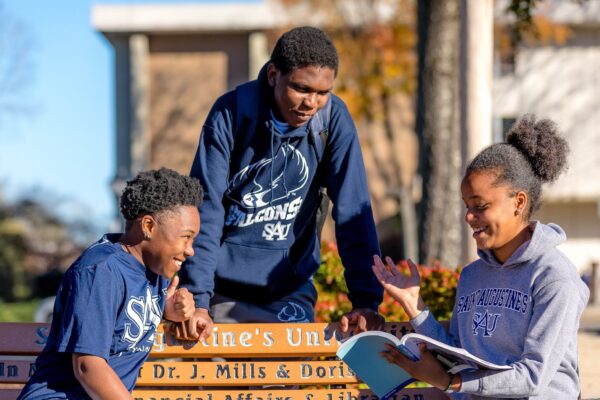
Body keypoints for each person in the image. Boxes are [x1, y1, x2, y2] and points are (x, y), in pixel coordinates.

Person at [177, 26, 383, 339]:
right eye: (301, 89)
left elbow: (353, 211)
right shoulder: (232, 112)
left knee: (285, 387)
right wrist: (199, 298)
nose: (311, 103)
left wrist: (366, 301)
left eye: (322, 93)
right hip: (223, 291)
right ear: (273, 74)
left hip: (289, 288)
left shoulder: (333, 120)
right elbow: (206, 208)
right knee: (226, 388)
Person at [373, 114, 589, 398]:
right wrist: (414, 305)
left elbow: (533, 376)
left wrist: (451, 383)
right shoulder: (472, 276)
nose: (469, 217)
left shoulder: (555, 278)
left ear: (519, 202)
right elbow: (458, 353)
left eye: (481, 205)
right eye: (466, 206)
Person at [18, 168, 203, 400]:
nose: (190, 250)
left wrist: (168, 309)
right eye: (185, 236)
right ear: (148, 226)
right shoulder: (100, 270)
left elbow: (129, 311)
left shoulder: (154, 271)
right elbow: (88, 367)